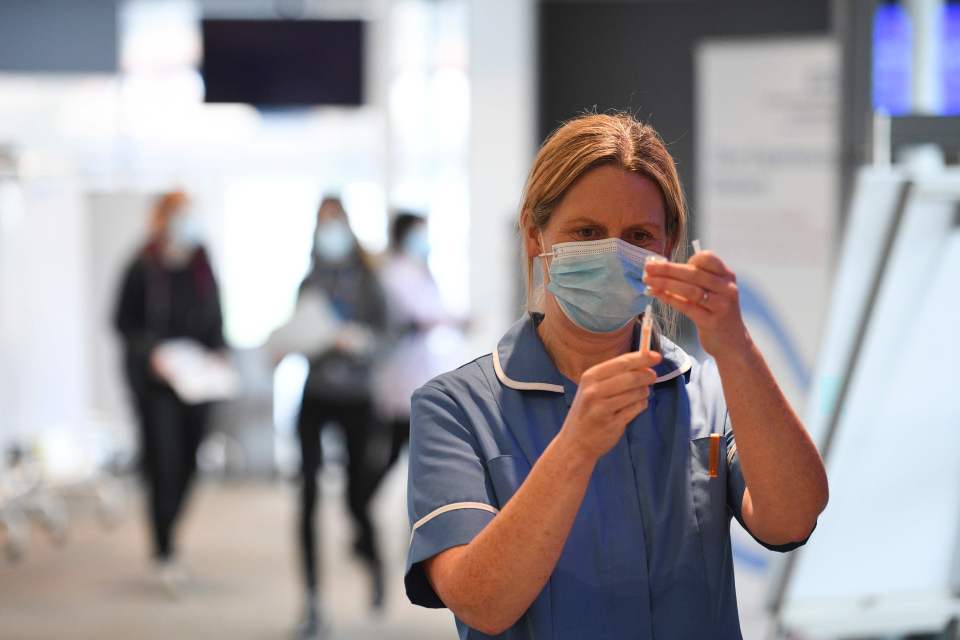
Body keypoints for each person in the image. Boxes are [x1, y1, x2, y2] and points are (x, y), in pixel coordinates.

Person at [403, 114, 829, 639]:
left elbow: (792, 518)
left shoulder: (706, 392)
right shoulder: (456, 409)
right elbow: (481, 604)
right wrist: (575, 447)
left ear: (668, 245)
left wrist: (736, 349)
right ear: (537, 237)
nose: (612, 252)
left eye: (638, 235)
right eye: (586, 232)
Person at [114, 191, 225, 595]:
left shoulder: (200, 262)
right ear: (160, 218)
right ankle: (164, 549)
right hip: (157, 383)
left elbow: (216, 315)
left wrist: (219, 353)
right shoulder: (141, 264)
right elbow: (122, 322)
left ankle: (170, 528)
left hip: (197, 382)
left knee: (189, 464)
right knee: (163, 462)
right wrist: (151, 354)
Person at [293, 197, 388, 639]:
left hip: (356, 399)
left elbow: (388, 334)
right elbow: (299, 328)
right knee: (308, 496)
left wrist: (362, 342)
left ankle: (374, 564)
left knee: (355, 498)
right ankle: (312, 599)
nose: (328, 231)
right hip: (316, 396)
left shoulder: (369, 278)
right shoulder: (310, 279)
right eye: (321, 223)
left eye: (334, 222)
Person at [370, 211, 465, 495]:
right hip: (401, 376)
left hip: (417, 375)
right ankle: (361, 507)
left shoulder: (419, 272)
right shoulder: (396, 273)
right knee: (400, 456)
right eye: (419, 233)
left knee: (418, 461)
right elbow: (421, 315)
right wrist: (455, 319)